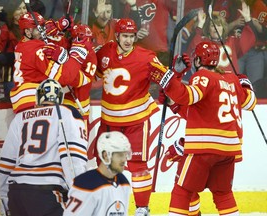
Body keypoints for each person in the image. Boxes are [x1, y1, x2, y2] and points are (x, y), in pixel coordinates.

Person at [148, 41, 257, 215]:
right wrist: (245, 84)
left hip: (204, 148)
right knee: (223, 194)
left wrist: (168, 78)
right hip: (229, 148)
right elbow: (250, 103)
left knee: (182, 190)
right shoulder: (231, 79)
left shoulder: (202, 77)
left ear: (198, 60)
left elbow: (187, 96)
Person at [94, 18, 161, 216]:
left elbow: (166, 78)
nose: (128, 41)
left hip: (136, 121)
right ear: (117, 36)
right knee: (106, 164)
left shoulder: (146, 57)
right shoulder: (105, 52)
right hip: (110, 121)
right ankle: (107, 205)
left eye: (132, 36)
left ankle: (142, 208)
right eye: (125, 36)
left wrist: (177, 70)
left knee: (138, 165)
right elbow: (92, 72)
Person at [0, 78, 88, 216]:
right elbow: (72, 159)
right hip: (46, 194)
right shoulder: (65, 113)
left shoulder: (20, 117)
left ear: (37, 99)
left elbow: (6, 164)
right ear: (60, 98)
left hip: (16, 194)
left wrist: (5, 200)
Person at [10, 11, 92, 113]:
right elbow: (64, 77)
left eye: (43, 27)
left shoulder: (21, 45)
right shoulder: (37, 51)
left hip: (21, 102)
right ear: (27, 32)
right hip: (34, 102)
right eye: (39, 29)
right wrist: (78, 53)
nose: (43, 32)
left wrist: (58, 27)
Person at [63, 131, 132, 215]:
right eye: (120, 155)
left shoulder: (123, 183)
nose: (124, 160)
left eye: (125, 155)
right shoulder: (86, 184)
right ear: (105, 155)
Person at [186, 2, 256, 75]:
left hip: (229, 82)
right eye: (213, 26)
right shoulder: (204, 43)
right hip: (211, 81)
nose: (216, 28)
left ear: (223, 28)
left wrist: (248, 20)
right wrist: (200, 26)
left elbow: (249, 38)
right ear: (208, 29)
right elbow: (192, 51)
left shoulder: (232, 42)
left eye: (219, 25)